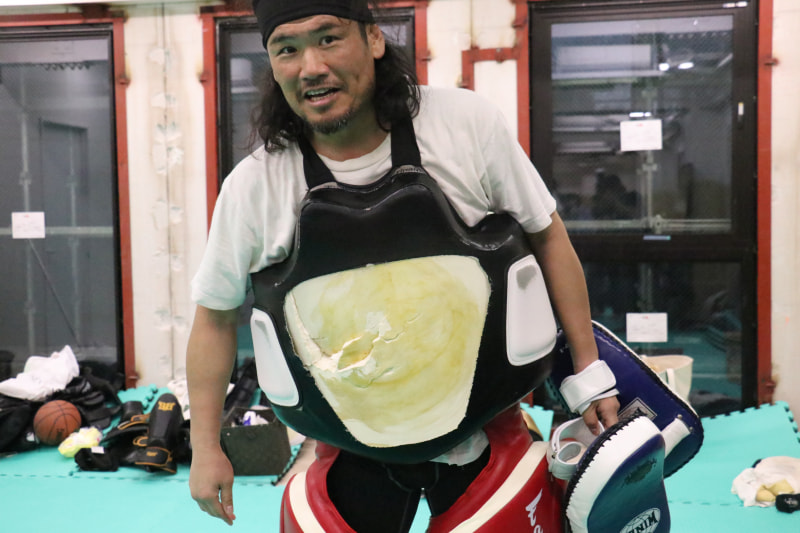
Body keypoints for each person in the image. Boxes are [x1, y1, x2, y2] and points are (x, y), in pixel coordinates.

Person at [186, 0, 619, 530]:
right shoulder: (255, 186)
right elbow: (214, 317)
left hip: (485, 425)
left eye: (328, 39)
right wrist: (205, 448)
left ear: (373, 39)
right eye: (287, 50)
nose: (311, 67)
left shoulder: (464, 126)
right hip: (348, 441)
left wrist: (589, 374)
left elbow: (547, 235)